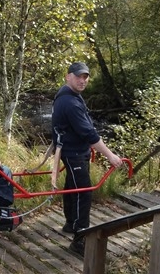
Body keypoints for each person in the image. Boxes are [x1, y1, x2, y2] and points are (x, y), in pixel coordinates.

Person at [51, 61, 123, 257]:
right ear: (68, 77)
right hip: (73, 153)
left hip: (72, 151)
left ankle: (70, 222)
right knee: (83, 193)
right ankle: (80, 238)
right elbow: (89, 134)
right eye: (78, 76)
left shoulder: (68, 95)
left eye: (85, 77)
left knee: (72, 187)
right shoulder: (70, 102)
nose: (82, 80)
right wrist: (110, 156)